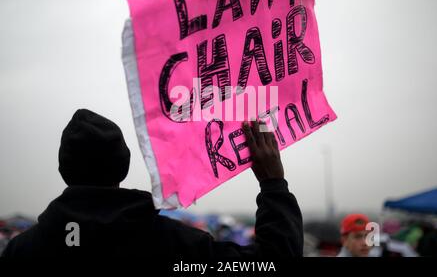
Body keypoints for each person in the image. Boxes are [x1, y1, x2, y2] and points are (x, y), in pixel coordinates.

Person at [2, 109, 303, 257]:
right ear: (123, 165)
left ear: (63, 169)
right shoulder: (169, 244)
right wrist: (273, 182)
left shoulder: (20, 251)